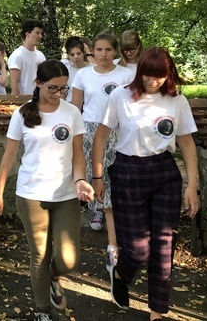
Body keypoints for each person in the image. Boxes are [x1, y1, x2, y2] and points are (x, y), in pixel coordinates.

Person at [91, 47, 199, 321]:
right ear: (140, 72)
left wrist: (191, 185)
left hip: (165, 173)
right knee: (139, 250)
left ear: (168, 75)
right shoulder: (120, 96)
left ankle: (157, 312)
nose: (153, 81)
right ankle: (119, 273)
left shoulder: (177, 100)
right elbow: (101, 137)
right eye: (148, 75)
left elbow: (186, 143)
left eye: (159, 76)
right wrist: (97, 176)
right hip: (128, 171)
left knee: (164, 249)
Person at [0, 60, 95, 321]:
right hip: (31, 194)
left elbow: (78, 153)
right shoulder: (22, 114)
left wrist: (80, 180)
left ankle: (54, 277)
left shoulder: (72, 113)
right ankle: (42, 311)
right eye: (53, 88)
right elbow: (9, 157)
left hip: (66, 195)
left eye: (64, 89)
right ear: (38, 84)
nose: (59, 94)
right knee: (40, 255)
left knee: (68, 259)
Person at [71, 32, 134, 274]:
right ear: (92, 52)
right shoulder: (83, 75)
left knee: (112, 173)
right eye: (99, 50)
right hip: (89, 128)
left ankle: (115, 231)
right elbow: (76, 107)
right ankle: (96, 210)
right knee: (92, 172)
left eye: (108, 50)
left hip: (118, 130)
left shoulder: (126, 75)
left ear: (115, 52)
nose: (103, 54)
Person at [8, 20, 46, 97]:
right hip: (24, 101)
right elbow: (14, 83)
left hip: (39, 100)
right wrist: (18, 102)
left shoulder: (41, 55)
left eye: (41, 33)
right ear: (27, 34)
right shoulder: (17, 55)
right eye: (37, 33)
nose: (40, 36)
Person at [61, 37, 92, 102]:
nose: (76, 57)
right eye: (72, 54)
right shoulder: (65, 71)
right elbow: (62, 92)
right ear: (68, 55)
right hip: (70, 104)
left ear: (83, 53)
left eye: (78, 53)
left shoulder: (93, 68)